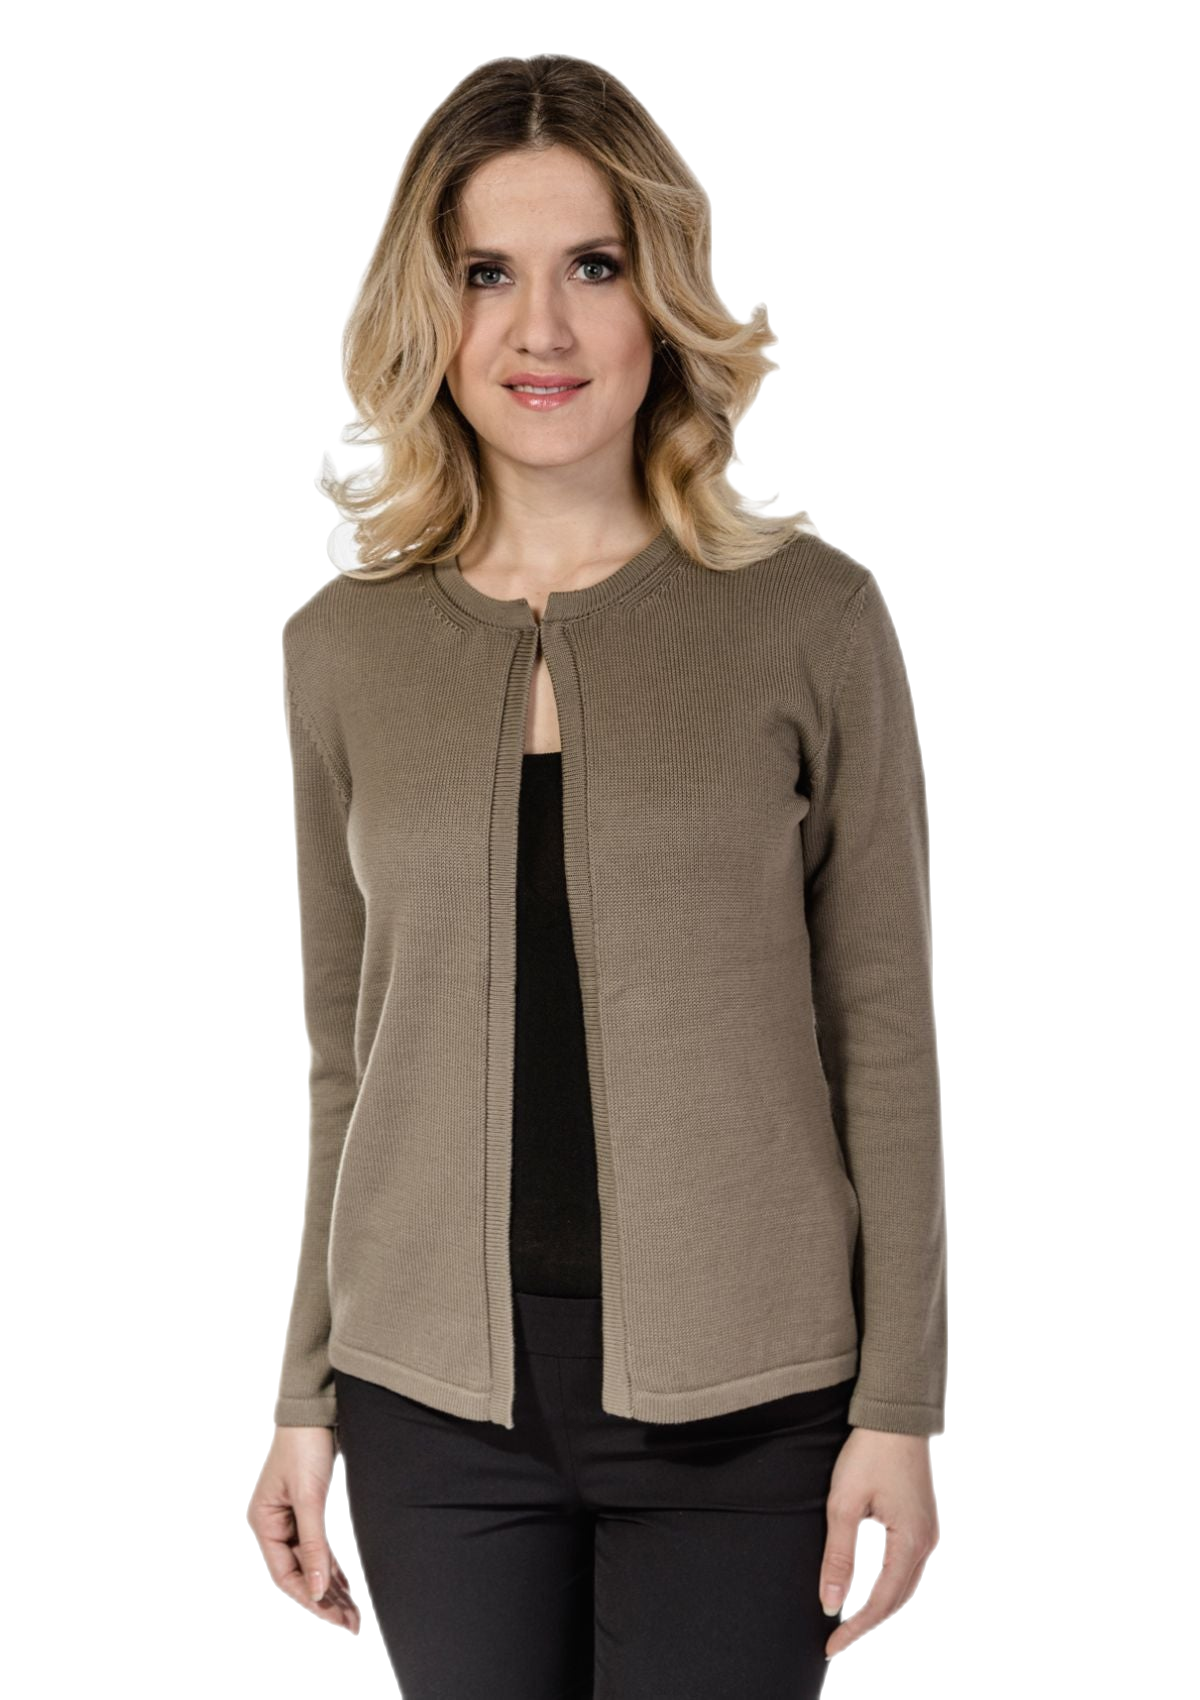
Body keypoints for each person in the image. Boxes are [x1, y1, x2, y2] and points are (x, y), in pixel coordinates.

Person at [244, 48, 948, 1700]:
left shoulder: (812, 622)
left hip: (749, 1410)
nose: (540, 330)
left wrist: (899, 1406)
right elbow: (348, 1055)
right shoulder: (340, 650)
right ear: (428, 311)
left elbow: (885, 1037)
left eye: (595, 267)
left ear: (664, 299)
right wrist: (305, 1394)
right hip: (430, 1416)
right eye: (487, 273)